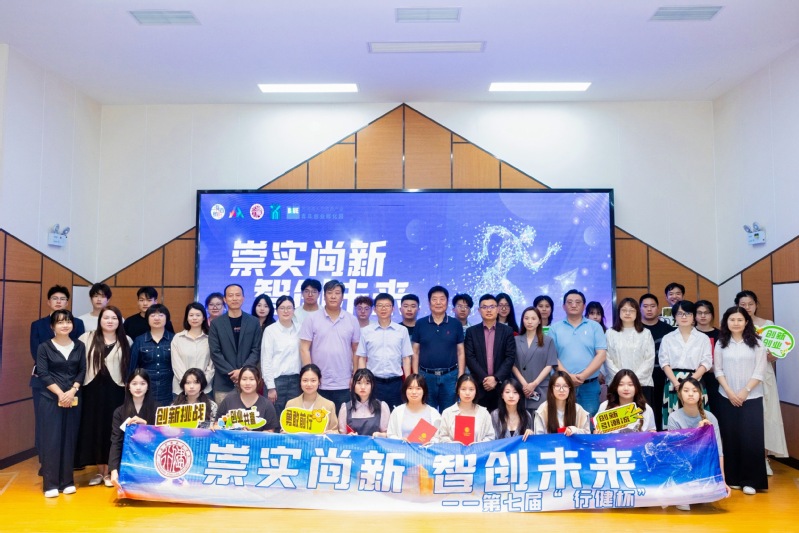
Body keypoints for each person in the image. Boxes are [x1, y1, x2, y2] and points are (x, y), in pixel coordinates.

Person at [714, 306, 768, 494]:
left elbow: (760, 371)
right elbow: (718, 370)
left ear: (746, 322)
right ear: (726, 322)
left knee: (751, 438)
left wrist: (745, 391)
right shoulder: (721, 343)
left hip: (751, 397)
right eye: (732, 319)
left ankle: (751, 481)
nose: (735, 323)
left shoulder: (757, 343)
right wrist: (729, 392)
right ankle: (733, 477)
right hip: (726, 396)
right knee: (730, 437)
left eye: (739, 319)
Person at [30, 285, 85, 467]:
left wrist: (71, 386)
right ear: (48, 302)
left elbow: (78, 354)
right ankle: (45, 463)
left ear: (67, 302)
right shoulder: (38, 325)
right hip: (44, 384)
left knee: (70, 426)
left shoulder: (77, 323)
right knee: (45, 425)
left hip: (71, 385)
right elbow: (36, 354)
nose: (59, 301)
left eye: (62, 299)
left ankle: (69, 463)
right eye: (55, 298)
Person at [75, 306, 130, 487]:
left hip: (116, 391)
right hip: (92, 391)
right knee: (94, 429)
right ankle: (100, 472)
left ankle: (111, 470)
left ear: (119, 321)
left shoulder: (126, 340)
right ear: (100, 320)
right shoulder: (86, 338)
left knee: (111, 429)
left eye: (114, 318)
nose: (110, 321)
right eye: (106, 317)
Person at [735, 290, 788, 466]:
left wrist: (773, 356)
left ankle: (764, 459)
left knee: (766, 415)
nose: (747, 307)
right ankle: (746, 459)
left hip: (764, 375)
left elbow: (777, 353)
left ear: (756, 304)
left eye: (750, 304)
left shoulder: (768, 325)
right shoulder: (735, 324)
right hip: (742, 375)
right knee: (745, 417)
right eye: (743, 304)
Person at [36, 310, 86, 498]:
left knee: (69, 439)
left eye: (68, 321)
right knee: (51, 440)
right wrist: (60, 394)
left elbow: (82, 370)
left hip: (73, 398)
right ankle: (50, 484)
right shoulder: (44, 347)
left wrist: (72, 391)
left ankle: (67, 482)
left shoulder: (79, 346)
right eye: (60, 322)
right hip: (50, 400)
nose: (65, 325)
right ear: (52, 326)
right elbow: (43, 373)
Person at [667, 377, 731, 511]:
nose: (690, 394)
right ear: (680, 395)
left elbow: (718, 450)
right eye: (686, 391)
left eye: (695, 391)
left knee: (713, 495)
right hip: (683, 465)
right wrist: (698, 432)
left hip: (703, 465)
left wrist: (722, 480)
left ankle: (701, 490)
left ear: (701, 395)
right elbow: (675, 452)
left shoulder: (710, 417)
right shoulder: (673, 417)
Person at [300, 279, 360, 413]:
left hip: (344, 382)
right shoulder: (312, 319)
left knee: (343, 420)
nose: (333, 296)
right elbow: (304, 348)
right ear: (324, 296)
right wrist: (310, 376)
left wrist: (355, 376)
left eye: (337, 293)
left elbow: (356, 350)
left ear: (342, 297)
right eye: (330, 292)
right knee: (318, 420)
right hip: (319, 383)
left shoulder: (352, 320)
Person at [547, 289, 607, 419]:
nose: (573, 305)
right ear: (564, 306)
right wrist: (568, 377)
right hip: (562, 385)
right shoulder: (555, 328)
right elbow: (552, 356)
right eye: (569, 302)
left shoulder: (595, 327)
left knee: (589, 422)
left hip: (589, 385)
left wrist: (584, 376)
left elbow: (601, 354)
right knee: (562, 422)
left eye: (578, 302)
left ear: (584, 306)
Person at [658, 300, 712, 427]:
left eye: (687, 313)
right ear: (674, 317)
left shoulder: (703, 338)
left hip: (696, 380)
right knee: (674, 423)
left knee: (699, 421)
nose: (684, 317)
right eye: (680, 314)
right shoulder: (668, 338)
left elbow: (706, 362)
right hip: (674, 382)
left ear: (693, 316)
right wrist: (677, 383)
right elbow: (664, 362)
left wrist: (690, 382)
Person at [412, 285, 465, 411]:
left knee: (449, 413)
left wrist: (460, 377)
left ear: (447, 302)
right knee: (426, 413)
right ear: (429, 302)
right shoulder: (420, 324)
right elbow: (415, 352)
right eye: (434, 299)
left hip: (450, 376)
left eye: (442, 299)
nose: (438, 302)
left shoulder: (455, 324)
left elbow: (461, 352)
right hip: (426, 376)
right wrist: (416, 376)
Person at [209, 283, 262, 404]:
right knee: (224, 415)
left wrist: (242, 371)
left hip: (249, 381)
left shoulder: (253, 322)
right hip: (224, 382)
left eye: (238, 295)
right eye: (230, 295)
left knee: (248, 415)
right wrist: (233, 373)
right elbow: (215, 352)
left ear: (243, 298)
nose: (234, 298)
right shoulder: (216, 324)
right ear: (225, 299)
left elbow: (256, 350)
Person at [356, 293, 412, 409]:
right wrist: (363, 381)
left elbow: (406, 358)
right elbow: (362, 357)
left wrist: (408, 383)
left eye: (387, 305)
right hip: (374, 382)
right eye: (380, 305)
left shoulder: (402, 330)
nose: (383, 309)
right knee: (374, 414)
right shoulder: (366, 331)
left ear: (393, 309)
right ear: (374, 309)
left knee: (395, 415)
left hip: (396, 383)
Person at [464, 294, 517, 411]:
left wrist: (496, 379)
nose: (488, 310)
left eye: (492, 307)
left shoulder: (507, 331)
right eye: (484, 307)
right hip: (479, 385)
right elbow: (470, 357)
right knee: (479, 419)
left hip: (501, 386)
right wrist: (486, 379)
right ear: (479, 311)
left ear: (497, 309)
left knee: (501, 419)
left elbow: (510, 357)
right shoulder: (471, 332)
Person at [108, 369, 157, 487]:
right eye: (134, 384)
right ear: (128, 387)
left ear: (148, 386)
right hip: (128, 462)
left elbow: (161, 438)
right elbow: (116, 442)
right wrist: (113, 470)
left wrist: (146, 426)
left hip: (151, 462)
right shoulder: (119, 412)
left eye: (142, 383)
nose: (138, 387)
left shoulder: (158, 409)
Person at [604, 298, 656, 405]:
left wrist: (633, 380)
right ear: (619, 312)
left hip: (642, 384)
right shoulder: (610, 333)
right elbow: (606, 358)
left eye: (631, 310)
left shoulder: (645, 333)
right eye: (624, 310)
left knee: (642, 413)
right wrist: (621, 380)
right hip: (616, 384)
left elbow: (649, 359)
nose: (627, 313)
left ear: (637, 313)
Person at [261, 295, 302, 418]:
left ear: (294, 310)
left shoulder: (300, 329)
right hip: (276, 382)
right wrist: (270, 387)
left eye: (289, 308)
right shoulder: (270, 330)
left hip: (296, 381)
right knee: (274, 418)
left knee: (293, 419)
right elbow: (266, 360)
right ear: (277, 310)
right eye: (282, 308)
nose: (286, 311)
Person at [513, 306, 558, 415]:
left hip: (540, 387)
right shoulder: (515, 340)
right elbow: (512, 364)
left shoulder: (548, 341)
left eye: (533, 318)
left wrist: (534, 384)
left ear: (539, 321)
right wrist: (525, 384)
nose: (529, 322)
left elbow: (550, 364)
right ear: (522, 320)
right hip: (520, 387)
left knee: (540, 419)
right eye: (526, 318)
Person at [128, 304, 175, 406]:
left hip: (169, 390)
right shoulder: (139, 340)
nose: (157, 318)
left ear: (167, 318)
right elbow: (132, 368)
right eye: (152, 315)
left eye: (161, 315)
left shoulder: (175, 339)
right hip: (145, 389)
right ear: (147, 319)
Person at [640, 292, 674, 430]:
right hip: (641, 377)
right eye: (645, 306)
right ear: (640, 308)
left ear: (658, 308)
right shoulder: (636, 329)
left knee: (661, 410)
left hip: (663, 375)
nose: (649, 309)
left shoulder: (669, 330)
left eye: (652, 306)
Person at [217, 365, 279, 431]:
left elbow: (270, 431)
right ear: (239, 381)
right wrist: (216, 427)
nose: (247, 383)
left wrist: (251, 434)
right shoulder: (229, 400)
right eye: (244, 379)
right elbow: (218, 424)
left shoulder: (266, 405)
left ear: (258, 381)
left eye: (252, 379)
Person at [171, 303, 214, 399]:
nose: (194, 318)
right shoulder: (178, 338)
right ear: (187, 318)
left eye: (198, 315)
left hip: (204, 389)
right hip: (181, 390)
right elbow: (176, 364)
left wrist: (201, 384)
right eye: (191, 315)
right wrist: (187, 383)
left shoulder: (210, 338)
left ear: (204, 317)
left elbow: (211, 366)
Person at [438, 374, 495, 443]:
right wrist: (455, 444)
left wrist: (477, 445)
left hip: (478, 449)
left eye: (471, 389)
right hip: (455, 449)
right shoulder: (447, 413)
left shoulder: (484, 413)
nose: (467, 393)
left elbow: (490, 436)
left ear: (476, 391)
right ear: (458, 391)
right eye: (463, 389)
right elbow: (442, 437)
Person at [284, 364, 339, 433]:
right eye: (305, 380)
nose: (309, 384)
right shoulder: (291, 404)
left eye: (313, 380)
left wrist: (331, 433)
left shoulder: (329, 405)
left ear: (319, 382)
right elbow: (285, 428)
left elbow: (335, 430)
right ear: (300, 381)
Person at [386, 374, 442, 440]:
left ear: (424, 391)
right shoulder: (397, 411)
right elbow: (390, 434)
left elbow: (439, 437)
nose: (414, 392)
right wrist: (400, 440)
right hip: (402, 446)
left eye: (418, 388)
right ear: (405, 390)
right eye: (410, 388)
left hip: (426, 447)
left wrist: (432, 442)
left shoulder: (433, 413)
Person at [534, 371, 590, 435]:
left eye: (565, 386)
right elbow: (538, 436)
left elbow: (587, 435)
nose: (561, 390)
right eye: (557, 386)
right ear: (551, 388)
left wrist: (575, 430)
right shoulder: (543, 410)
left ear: (570, 389)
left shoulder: (578, 409)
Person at [338, 368, 390, 436]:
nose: (362, 387)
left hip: (375, 442)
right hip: (352, 443)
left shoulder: (382, 407)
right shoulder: (345, 408)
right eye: (359, 383)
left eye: (367, 383)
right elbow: (341, 436)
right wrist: (348, 437)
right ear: (353, 385)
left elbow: (387, 435)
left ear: (372, 386)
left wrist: (380, 435)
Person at [695, 300, 722, 412]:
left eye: (706, 313)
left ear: (712, 314)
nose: (703, 316)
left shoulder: (720, 335)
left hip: (714, 378)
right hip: (694, 377)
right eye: (699, 313)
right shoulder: (690, 333)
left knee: (714, 409)